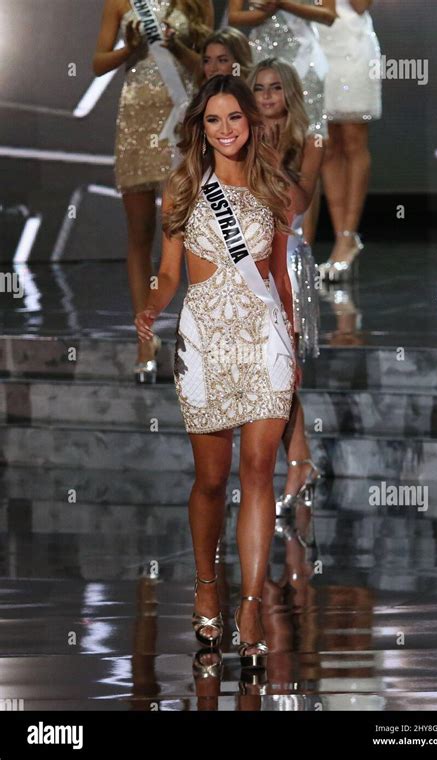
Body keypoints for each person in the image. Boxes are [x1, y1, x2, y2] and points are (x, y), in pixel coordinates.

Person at [135, 74, 300, 670]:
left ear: (250, 122)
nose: (226, 129)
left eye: (235, 117)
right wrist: (152, 304)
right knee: (212, 479)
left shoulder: (273, 187)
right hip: (205, 340)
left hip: (265, 339)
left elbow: (280, 278)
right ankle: (208, 583)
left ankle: (252, 603)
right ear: (199, 129)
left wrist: (293, 344)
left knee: (259, 470)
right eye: (213, 120)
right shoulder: (183, 188)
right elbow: (169, 271)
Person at [93, 0, 212, 383]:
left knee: (186, 231)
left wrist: (175, 45)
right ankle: (145, 338)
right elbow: (97, 64)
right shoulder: (120, 3)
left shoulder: (198, 3)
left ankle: (202, 331)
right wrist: (130, 47)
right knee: (140, 233)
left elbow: (207, 67)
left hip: (180, 118)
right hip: (135, 118)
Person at [249, 58, 322, 517]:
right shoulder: (242, 139)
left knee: (283, 371)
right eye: (258, 89)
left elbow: (298, 201)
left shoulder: (311, 140)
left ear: (289, 93)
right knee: (267, 372)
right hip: (251, 264)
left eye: (276, 88)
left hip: (288, 263)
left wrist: (272, 159)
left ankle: (298, 462)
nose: (268, 97)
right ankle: (300, 460)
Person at [229, 0, 336, 244]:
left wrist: (283, 3)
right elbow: (235, 17)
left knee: (306, 145)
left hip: (304, 60)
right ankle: (254, 239)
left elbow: (328, 15)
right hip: (263, 54)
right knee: (260, 134)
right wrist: (266, 10)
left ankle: (300, 245)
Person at [317, 0, 382, 281]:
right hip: (316, 42)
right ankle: (339, 238)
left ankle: (348, 235)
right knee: (328, 145)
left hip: (351, 44)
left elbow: (360, 5)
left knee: (353, 139)